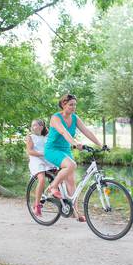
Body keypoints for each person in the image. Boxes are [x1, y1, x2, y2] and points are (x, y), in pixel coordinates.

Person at [44, 94, 104, 222]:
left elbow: (87, 131)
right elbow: (64, 132)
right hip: (53, 149)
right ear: (63, 104)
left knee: (72, 183)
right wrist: (75, 143)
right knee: (71, 165)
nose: (73, 107)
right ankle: (53, 187)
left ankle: (75, 213)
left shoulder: (75, 118)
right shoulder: (56, 118)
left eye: (75, 104)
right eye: (71, 104)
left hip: (65, 150)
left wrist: (100, 144)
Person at [26, 119, 56, 217]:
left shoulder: (45, 137)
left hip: (47, 160)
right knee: (42, 179)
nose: (33, 127)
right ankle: (36, 206)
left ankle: (54, 192)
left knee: (60, 175)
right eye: (32, 125)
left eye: (35, 125)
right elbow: (30, 151)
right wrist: (41, 154)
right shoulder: (31, 137)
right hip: (36, 160)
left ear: (41, 127)